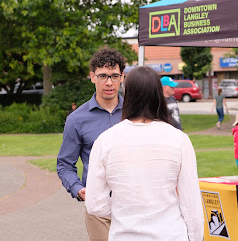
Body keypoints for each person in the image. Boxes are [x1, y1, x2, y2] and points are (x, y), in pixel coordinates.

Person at [85, 66, 204, 241]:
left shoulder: (105, 141)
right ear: (158, 94)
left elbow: (95, 204)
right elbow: (191, 203)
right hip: (170, 234)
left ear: (127, 94)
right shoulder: (179, 140)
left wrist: (123, 213)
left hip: (125, 234)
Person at [57, 47, 126, 241]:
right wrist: (78, 189)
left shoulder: (135, 113)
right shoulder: (76, 119)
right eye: (103, 76)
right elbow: (64, 164)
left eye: (114, 76)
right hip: (99, 206)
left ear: (122, 77)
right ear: (92, 77)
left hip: (133, 204)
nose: (109, 82)